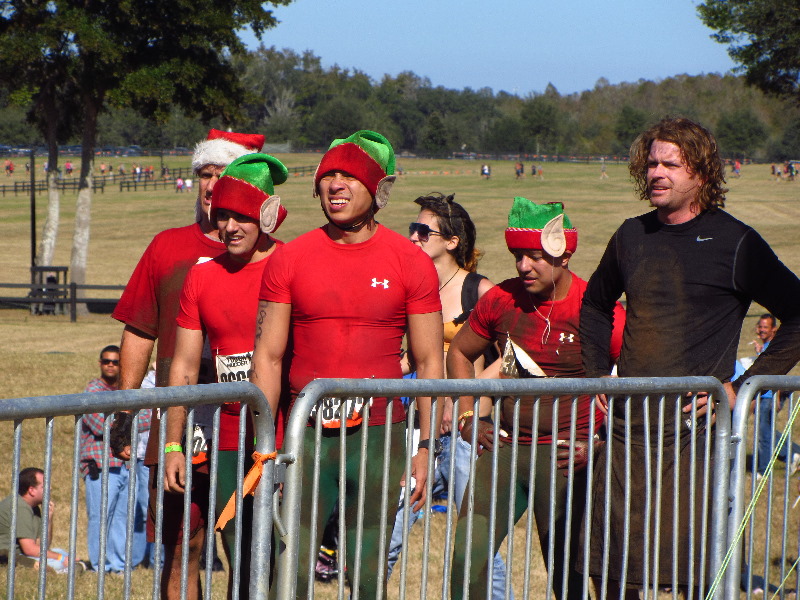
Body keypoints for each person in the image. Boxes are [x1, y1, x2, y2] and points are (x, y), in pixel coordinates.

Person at [580, 116, 800, 598]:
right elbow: (595, 305)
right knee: (612, 570)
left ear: (700, 173)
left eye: (671, 164)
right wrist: (597, 373)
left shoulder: (736, 242)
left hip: (694, 439)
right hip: (626, 433)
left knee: (695, 572)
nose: (656, 173)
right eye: (651, 163)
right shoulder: (631, 235)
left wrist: (739, 388)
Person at [251, 129, 444, 598]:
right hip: (305, 434)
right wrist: (266, 447)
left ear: (377, 189)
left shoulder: (411, 262)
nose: (335, 185)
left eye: (349, 176)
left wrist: (425, 447)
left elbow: (428, 360)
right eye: (327, 176)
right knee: (290, 569)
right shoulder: (290, 259)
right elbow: (268, 357)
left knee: (367, 571)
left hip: (379, 437)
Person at [111, 128, 264, 600]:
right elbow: (140, 330)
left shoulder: (270, 254)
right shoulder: (167, 246)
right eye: (204, 174)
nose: (212, 185)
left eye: (223, 174)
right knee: (182, 543)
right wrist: (125, 410)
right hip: (179, 416)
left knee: (247, 545)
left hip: (245, 418)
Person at [448, 198, 625, 600]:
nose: (523, 266)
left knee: (567, 576)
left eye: (535, 257)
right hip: (505, 449)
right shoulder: (501, 299)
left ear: (564, 254)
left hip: (567, 457)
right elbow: (459, 352)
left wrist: (600, 443)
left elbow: (635, 376)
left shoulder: (594, 307)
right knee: (466, 562)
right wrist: (467, 416)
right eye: (518, 256)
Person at [164, 152, 288, 600]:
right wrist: (174, 444)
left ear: (266, 217)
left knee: (277, 558)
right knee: (239, 551)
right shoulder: (202, 277)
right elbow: (183, 366)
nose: (229, 227)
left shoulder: (292, 264)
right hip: (227, 437)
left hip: (289, 433)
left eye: (241, 217)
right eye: (221, 217)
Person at [386, 192, 501, 586]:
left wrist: (462, 398)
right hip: (422, 429)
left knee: (477, 542)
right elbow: (412, 357)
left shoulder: (479, 290)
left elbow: (513, 355)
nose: (413, 237)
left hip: (467, 431)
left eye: (424, 231)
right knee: (391, 531)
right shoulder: (414, 286)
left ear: (452, 241)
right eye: (412, 229)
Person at [82, 344, 149, 572]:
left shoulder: (127, 391)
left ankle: (119, 566)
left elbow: (149, 418)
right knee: (101, 517)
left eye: (115, 362)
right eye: (106, 361)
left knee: (123, 517)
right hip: (100, 466)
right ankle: (101, 565)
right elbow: (98, 425)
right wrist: (127, 422)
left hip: (125, 465)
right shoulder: (92, 391)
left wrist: (121, 423)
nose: (110, 365)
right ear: (100, 363)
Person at [0, 468, 88, 573]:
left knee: (59, 551)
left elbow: (42, 545)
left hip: (25, 553)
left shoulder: (34, 507)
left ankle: (69, 566)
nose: (50, 488)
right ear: (31, 490)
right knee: (59, 559)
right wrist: (61, 558)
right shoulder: (19, 507)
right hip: (11, 556)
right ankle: (63, 571)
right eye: (44, 486)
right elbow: (29, 549)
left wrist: (48, 519)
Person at [749, 314, 800, 479]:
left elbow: (777, 374)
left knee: (764, 434)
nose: (762, 329)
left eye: (766, 327)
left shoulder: (773, 346)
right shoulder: (766, 346)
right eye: (760, 326)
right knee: (767, 431)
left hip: (770, 396)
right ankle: (795, 453)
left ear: (774, 330)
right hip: (764, 395)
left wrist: (776, 398)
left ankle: (763, 470)